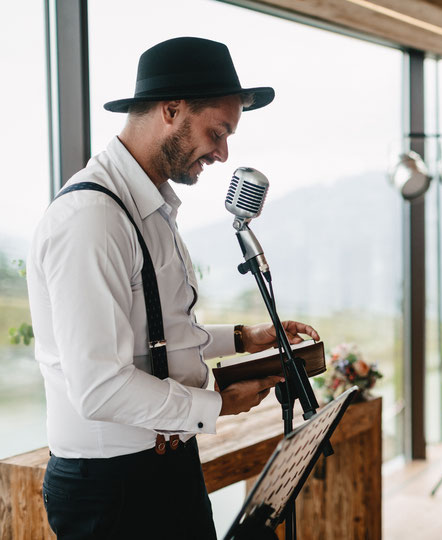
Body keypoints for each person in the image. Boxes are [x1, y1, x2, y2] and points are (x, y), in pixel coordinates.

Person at [27, 37, 320, 539]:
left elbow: (157, 332)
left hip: (164, 463)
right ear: (171, 110)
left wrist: (242, 337)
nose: (224, 153)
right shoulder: (92, 219)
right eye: (217, 131)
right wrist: (217, 405)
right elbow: (100, 387)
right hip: (114, 488)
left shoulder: (149, 205)